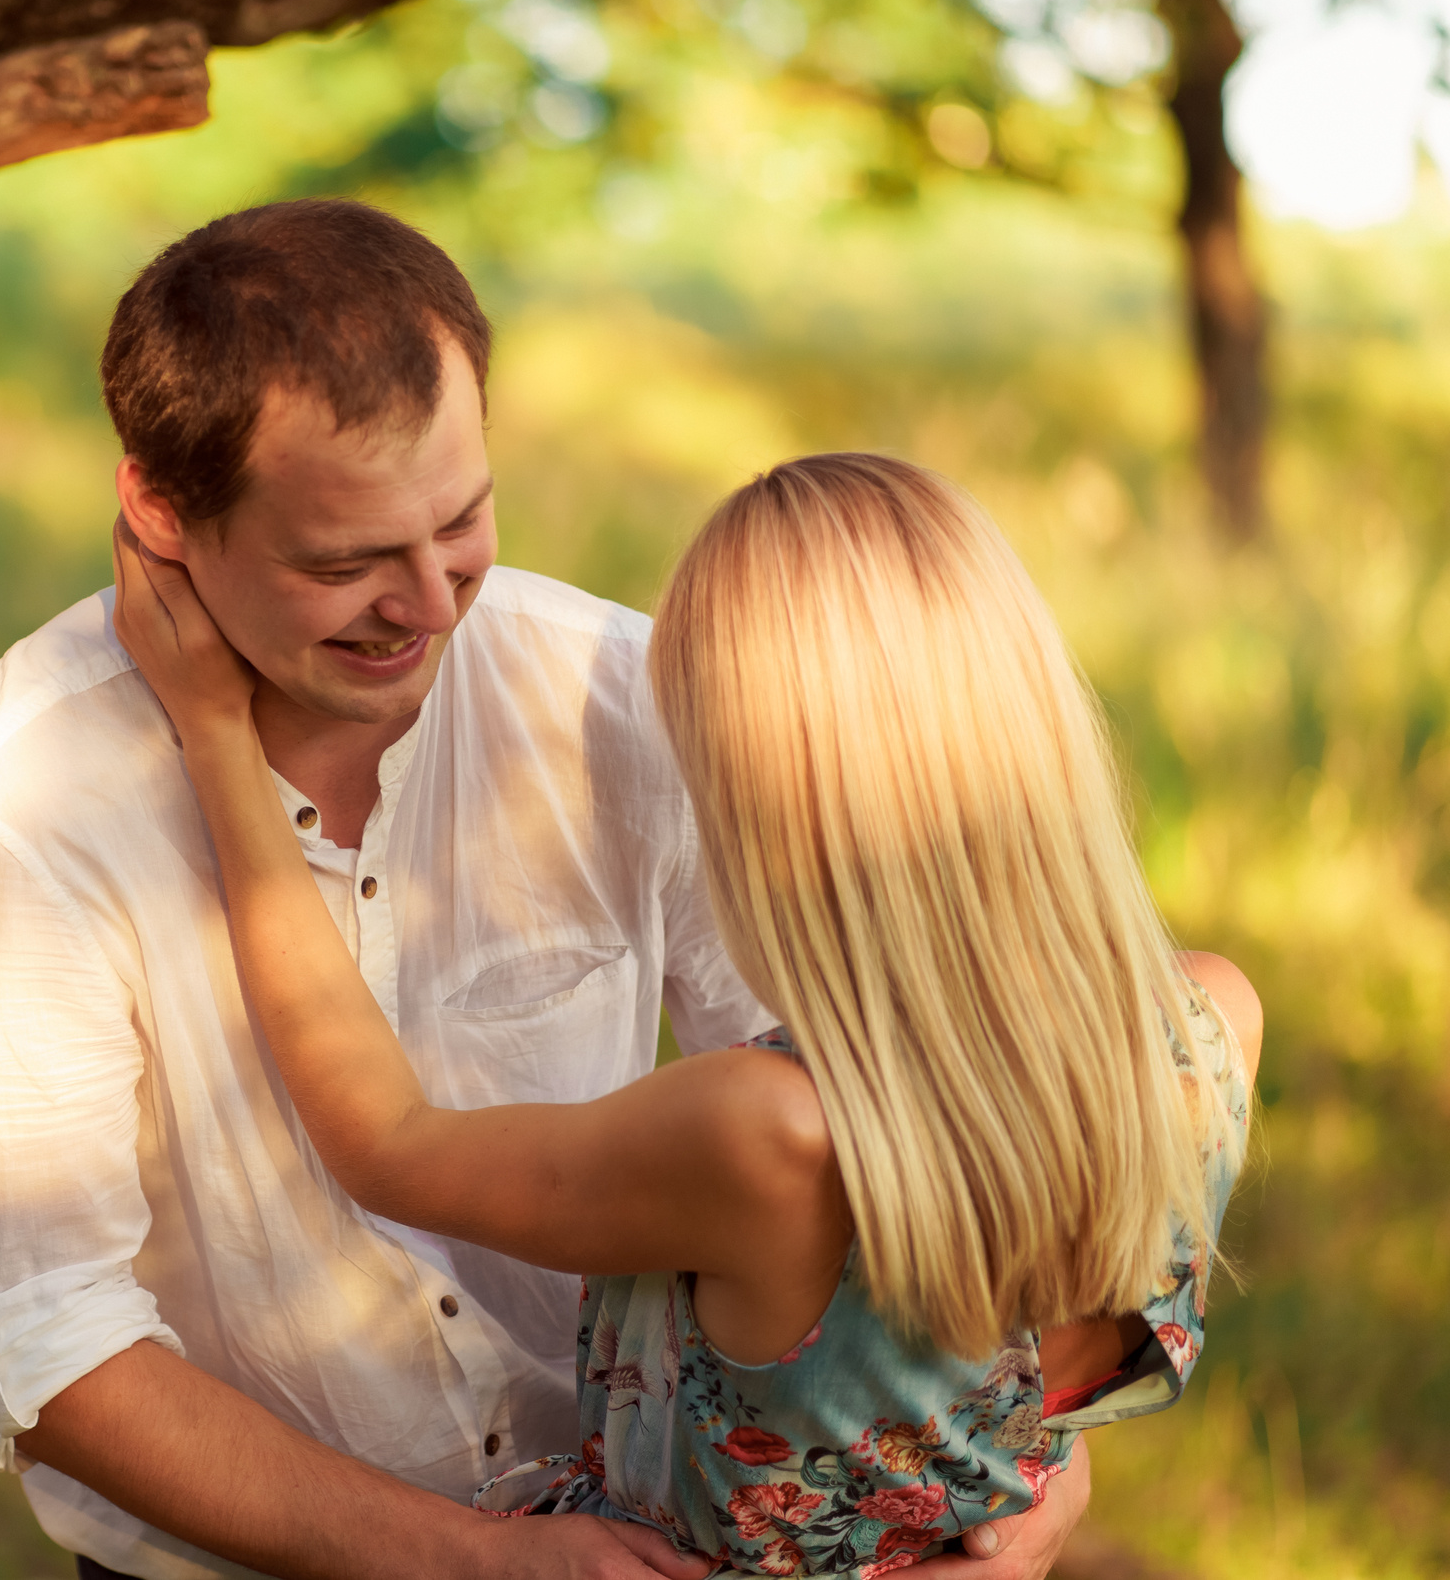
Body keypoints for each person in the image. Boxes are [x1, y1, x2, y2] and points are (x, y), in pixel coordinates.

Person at [0, 198, 1090, 1579]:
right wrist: (475, 1560)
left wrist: (1029, 1461)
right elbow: (54, 1343)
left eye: (463, 518)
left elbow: (885, 1120)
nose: (431, 600)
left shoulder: (625, 700)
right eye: (346, 560)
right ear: (161, 509)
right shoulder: (12, 824)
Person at [108, 449, 1259, 1575]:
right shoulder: (1208, 1029)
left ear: (761, 798)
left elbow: (386, 1143)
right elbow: (1028, 1408)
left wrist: (215, 735)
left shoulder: (770, 1138)